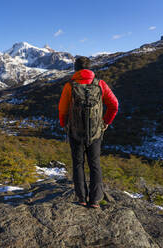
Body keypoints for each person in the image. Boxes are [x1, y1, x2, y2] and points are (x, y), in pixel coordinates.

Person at [58, 56, 118, 208]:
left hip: (75, 131)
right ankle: (96, 199)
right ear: (90, 68)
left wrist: (64, 124)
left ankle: (81, 198)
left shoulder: (70, 86)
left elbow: (62, 109)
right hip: (95, 132)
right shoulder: (100, 84)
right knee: (95, 164)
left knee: (78, 163)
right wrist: (106, 122)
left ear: (75, 69)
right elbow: (114, 105)